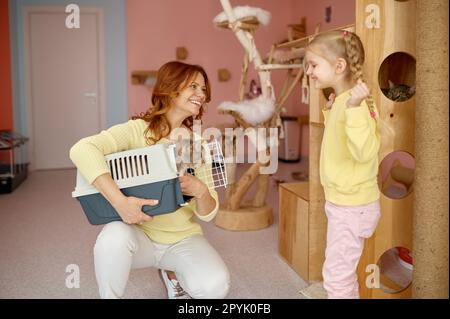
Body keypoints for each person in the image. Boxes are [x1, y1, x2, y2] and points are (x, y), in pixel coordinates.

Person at [69, 61, 230, 299]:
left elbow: (209, 213)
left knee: (215, 288)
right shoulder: (137, 131)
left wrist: (201, 191)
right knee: (113, 237)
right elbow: (82, 149)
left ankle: (171, 271)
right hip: (138, 235)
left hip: (182, 239)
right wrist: (120, 203)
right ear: (171, 88)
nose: (201, 95)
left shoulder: (200, 146)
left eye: (204, 89)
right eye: (193, 86)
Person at [305, 30, 381, 299]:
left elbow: (364, 152)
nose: (309, 72)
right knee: (341, 273)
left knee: (336, 277)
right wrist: (333, 108)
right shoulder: (343, 101)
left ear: (339, 66)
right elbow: (341, 141)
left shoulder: (355, 104)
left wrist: (352, 109)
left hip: (352, 207)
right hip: (345, 203)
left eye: (313, 65)